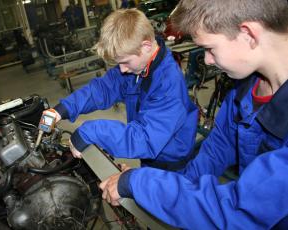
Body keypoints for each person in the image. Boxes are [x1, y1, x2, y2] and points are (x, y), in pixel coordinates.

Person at [99, 0, 288, 229]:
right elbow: (213, 155)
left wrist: (141, 183)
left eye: (210, 48)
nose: (207, 59)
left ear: (248, 34)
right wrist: (150, 188)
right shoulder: (243, 93)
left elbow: (239, 210)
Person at [46, 9, 198, 170]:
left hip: (171, 166)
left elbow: (146, 138)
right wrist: (62, 109)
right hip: (148, 158)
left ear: (146, 46)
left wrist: (91, 132)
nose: (122, 70)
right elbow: (103, 89)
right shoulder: (138, 66)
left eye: (125, 62)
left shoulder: (168, 83)